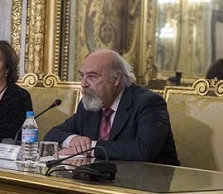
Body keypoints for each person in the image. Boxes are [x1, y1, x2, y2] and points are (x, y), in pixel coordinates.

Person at [44, 49, 180, 165]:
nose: (84, 84)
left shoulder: (148, 102)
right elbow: (52, 135)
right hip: (102, 181)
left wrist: (89, 147)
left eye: (92, 76)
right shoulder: (90, 103)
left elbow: (144, 150)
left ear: (116, 79)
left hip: (149, 184)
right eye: (82, 76)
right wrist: (73, 140)